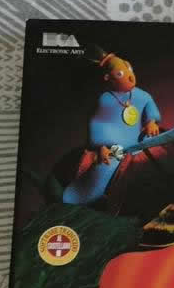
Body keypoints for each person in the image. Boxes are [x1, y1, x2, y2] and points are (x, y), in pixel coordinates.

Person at [62, 46, 161, 205]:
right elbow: (98, 124)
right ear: (108, 78)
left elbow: (149, 104)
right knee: (105, 169)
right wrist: (102, 146)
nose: (130, 77)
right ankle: (82, 196)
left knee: (162, 156)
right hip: (117, 148)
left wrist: (151, 121)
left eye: (129, 69)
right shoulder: (106, 100)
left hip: (141, 140)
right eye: (120, 74)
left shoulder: (140, 94)